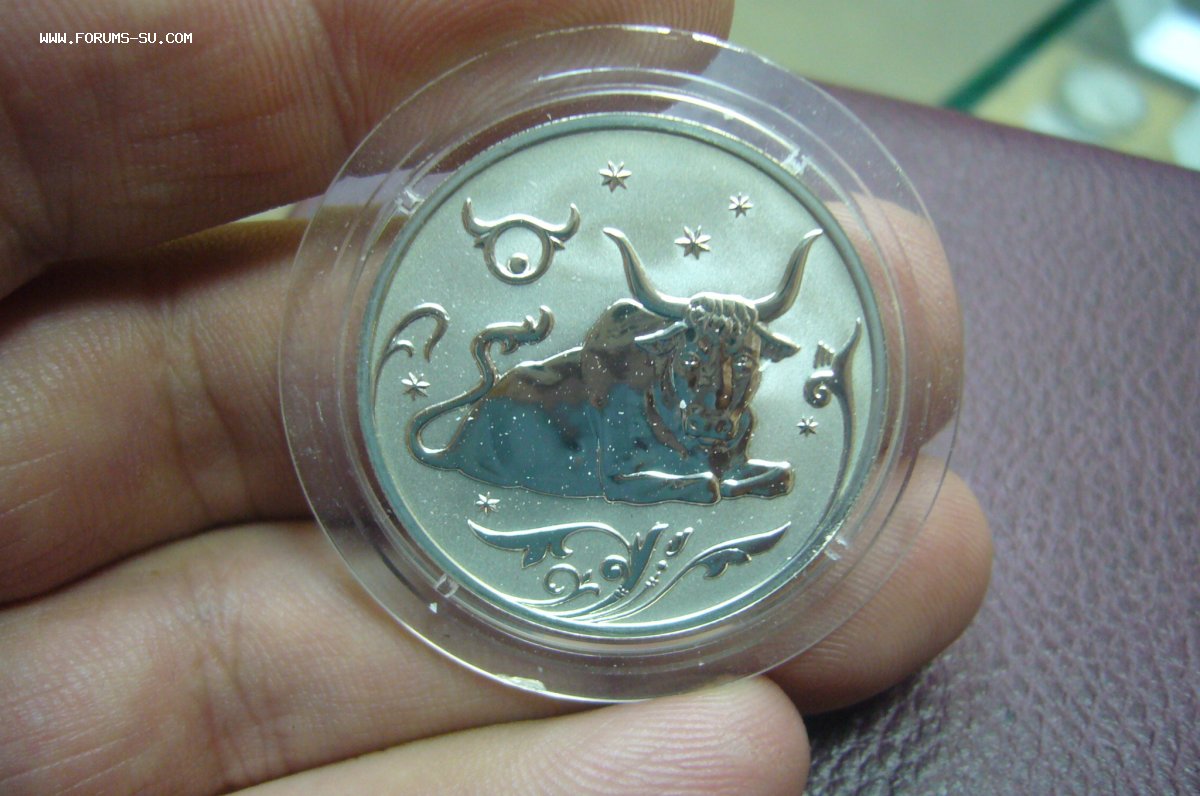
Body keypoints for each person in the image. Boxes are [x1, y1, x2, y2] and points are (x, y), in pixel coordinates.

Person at [0, 2, 992, 793]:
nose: (723, 384)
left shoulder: (709, 384)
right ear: (670, 349)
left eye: (738, 369)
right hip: (522, 437)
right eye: (708, 366)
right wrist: (707, 484)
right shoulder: (624, 371)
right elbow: (623, 461)